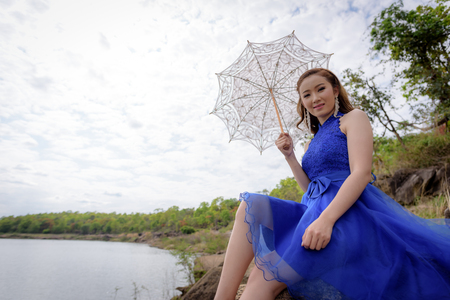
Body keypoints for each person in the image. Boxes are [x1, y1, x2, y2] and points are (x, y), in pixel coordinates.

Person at [214, 68, 450, 300]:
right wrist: (290, 157)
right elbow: (310, 189)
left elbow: (361, 173)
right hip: (311, 209)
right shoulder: (310, 143)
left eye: (320, 89)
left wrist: (326, 220)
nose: (314, 98)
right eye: (306, 95)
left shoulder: (353, 118)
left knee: (267, 277)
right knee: (249, 208)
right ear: (302, 102)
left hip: (344, 214)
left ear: (335, 90)